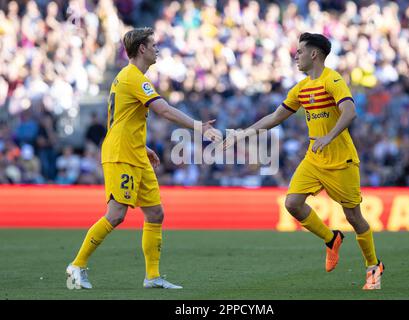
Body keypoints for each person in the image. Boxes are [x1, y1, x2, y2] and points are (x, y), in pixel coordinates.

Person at [224, 33, 384, 290]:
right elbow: (276, 117)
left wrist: (330, 137)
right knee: (292, 203)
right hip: (314, 158)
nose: (295, 55)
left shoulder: (333, 79)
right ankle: (331, 239)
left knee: (354, 217)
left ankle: (373, 265)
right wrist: (242, 134)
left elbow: (350, 111)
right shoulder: (300, 88)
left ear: (314, 54)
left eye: (299, 51)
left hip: (341, 160)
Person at [66, 27, 221, 290]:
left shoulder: (129, 78)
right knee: (115, 215)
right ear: (142, 49)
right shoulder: (133, 78)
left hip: (135, 151)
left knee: (155, 213)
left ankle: (152, 276)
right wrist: (198, 127)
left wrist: (143, 145)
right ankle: (77, 265)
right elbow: (163, 109)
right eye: (153, 44)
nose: (157, 49)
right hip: (121, 155)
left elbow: (121, 118)